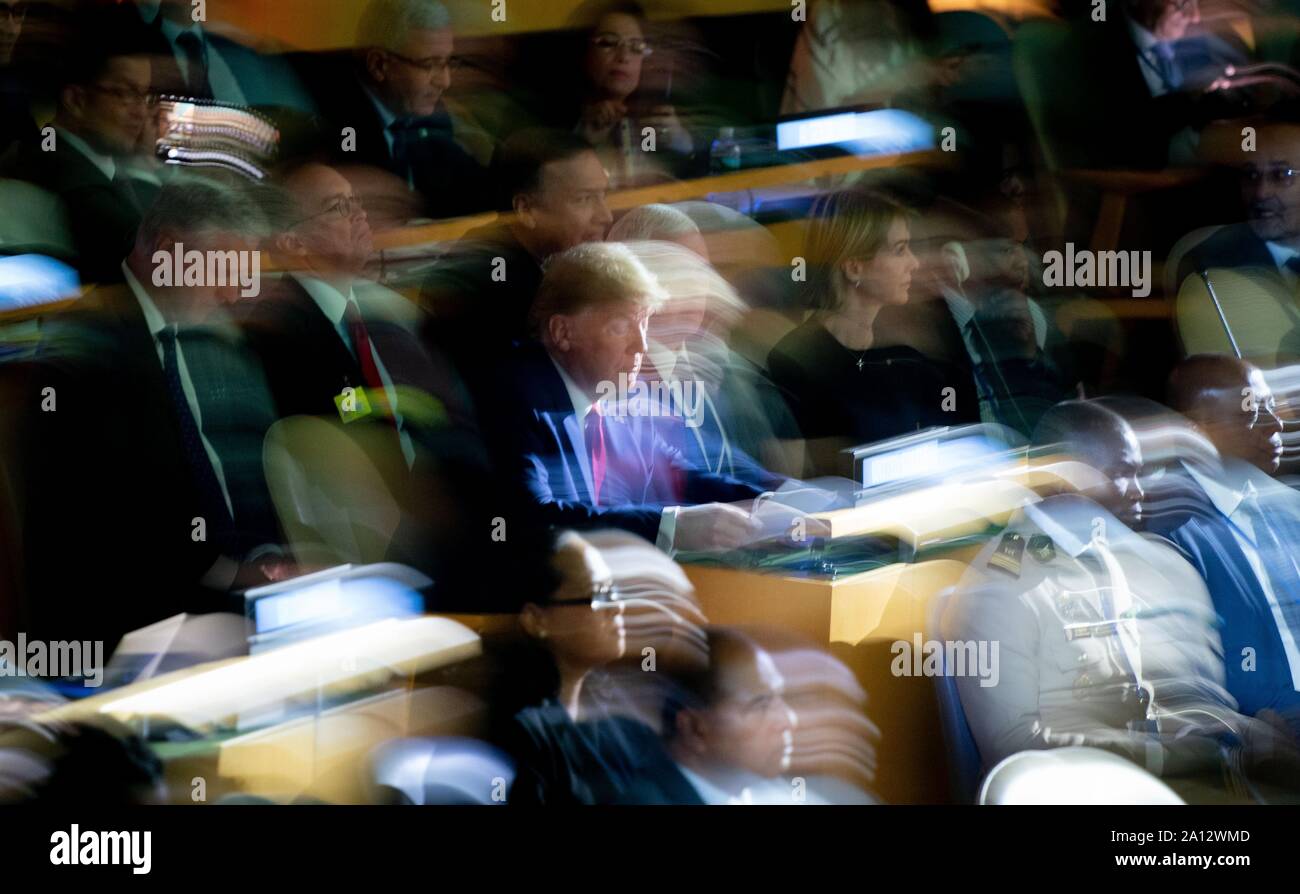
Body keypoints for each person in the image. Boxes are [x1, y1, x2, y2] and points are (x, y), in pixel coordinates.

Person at [945, 399, 1300, 802]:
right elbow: (1015, 745)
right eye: (1121, 475)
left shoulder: (1142, 560)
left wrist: (1246, 731)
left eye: (1139, 473)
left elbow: (1184, 698)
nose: (1140, 490)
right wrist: (1185, 755)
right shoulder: (1000, 586)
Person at [21, 180, 290, 654]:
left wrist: (270, 559)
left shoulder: (216, 340)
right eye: (224, 270)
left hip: (227, 590)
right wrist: (232, 574)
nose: (233, 295)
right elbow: (118, 517)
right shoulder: (87, 346)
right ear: (167, 250)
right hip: (130, 617)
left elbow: (246, 468)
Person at [481, 241, 772, 554]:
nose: (642, 345)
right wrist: (671, 527)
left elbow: (676, 473)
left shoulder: (619, 393)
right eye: (621, 326)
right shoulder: (513, 394)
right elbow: (534, 519)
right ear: (562, 333)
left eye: (644, 321)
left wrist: (772, 502)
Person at [767, 189, 975, 477]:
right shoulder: (796, 361)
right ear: (854, 268)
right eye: (900, 249)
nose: (914, 263)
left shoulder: (908, 347)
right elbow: (794, 486)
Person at [1144, 355, 1300, 735]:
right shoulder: (1166, 526)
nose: (1275, 424)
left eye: (1269, 407)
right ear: (1193, 431)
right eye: (1251, 413)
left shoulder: (1283, 507)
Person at [419, 128, 613, 389]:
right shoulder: (487, 290)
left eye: (603, 196)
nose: (605, 216)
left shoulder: (545, 262)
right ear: (525, 209)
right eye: (584, 199)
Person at [2, 9, 158, 284]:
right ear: (76, 100)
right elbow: (155, 260)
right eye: (124, 93)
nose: (141, 113)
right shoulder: (59, 171)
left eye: (144, 96)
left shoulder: (93, 158)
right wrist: (145, 167)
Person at [297, 0, 486, 220]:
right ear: (379, 65)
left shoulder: (434, 119)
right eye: (429, 64)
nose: (445, 81)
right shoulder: (328, 119)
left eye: (447, 63)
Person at [528, 0, 700, 188]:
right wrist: (583, 141)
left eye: (636, 47)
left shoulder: (649, 116)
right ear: (584, 52)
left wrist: (682, 144)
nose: (624, 56)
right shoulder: (549, 118)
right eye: (608, 42)